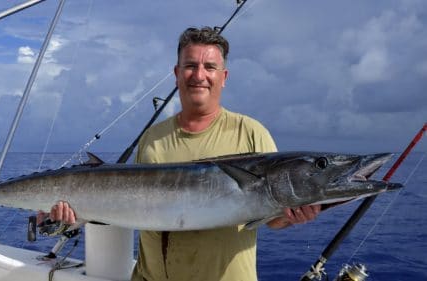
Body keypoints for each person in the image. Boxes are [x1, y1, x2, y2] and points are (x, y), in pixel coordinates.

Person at [46, 27, 321, 281]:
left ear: (223, 77)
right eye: (190, 66)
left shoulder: (251, 132)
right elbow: (132, 203)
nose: (199, 75)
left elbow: (270, 214)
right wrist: (75, 212)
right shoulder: (153, 138)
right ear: (177, 73)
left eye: (210, 67)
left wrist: (290, 216)